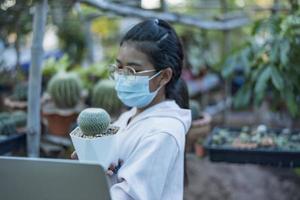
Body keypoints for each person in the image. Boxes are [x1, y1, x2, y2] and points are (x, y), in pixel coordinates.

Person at [72, 18, 191, 200]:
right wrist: (95, 165)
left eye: (132, 71)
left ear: (164, 76)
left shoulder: (163, 132)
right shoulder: (130, 116)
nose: (122, 76)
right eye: (119, 67)